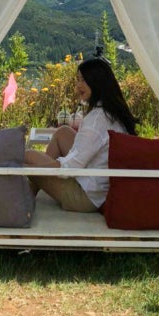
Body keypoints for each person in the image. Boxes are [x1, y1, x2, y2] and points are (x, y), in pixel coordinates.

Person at [25, 56, 137, 213]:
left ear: (97, 82)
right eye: (78, 79)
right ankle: (32, 190)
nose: (78, 86)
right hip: (99, 184)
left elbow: (71, 166)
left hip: (85, 196)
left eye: (84, 80)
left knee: (28, 156)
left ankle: (25, 197)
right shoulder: (110, 111)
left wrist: (30, 170)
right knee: (63, 132)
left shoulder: (97, 120)